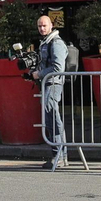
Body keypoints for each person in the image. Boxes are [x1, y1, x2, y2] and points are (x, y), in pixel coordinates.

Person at [31, 15, 68, 170]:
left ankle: (60, 155)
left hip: (53, 84)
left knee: (53, 118)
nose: (42, 28)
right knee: (51, 119)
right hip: (48, 84)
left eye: (44, 25)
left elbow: (58, 68)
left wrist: (39, 74)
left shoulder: (56, 43)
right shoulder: (46, 42)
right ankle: (59, 155)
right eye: (39, 26)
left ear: (51, 25)